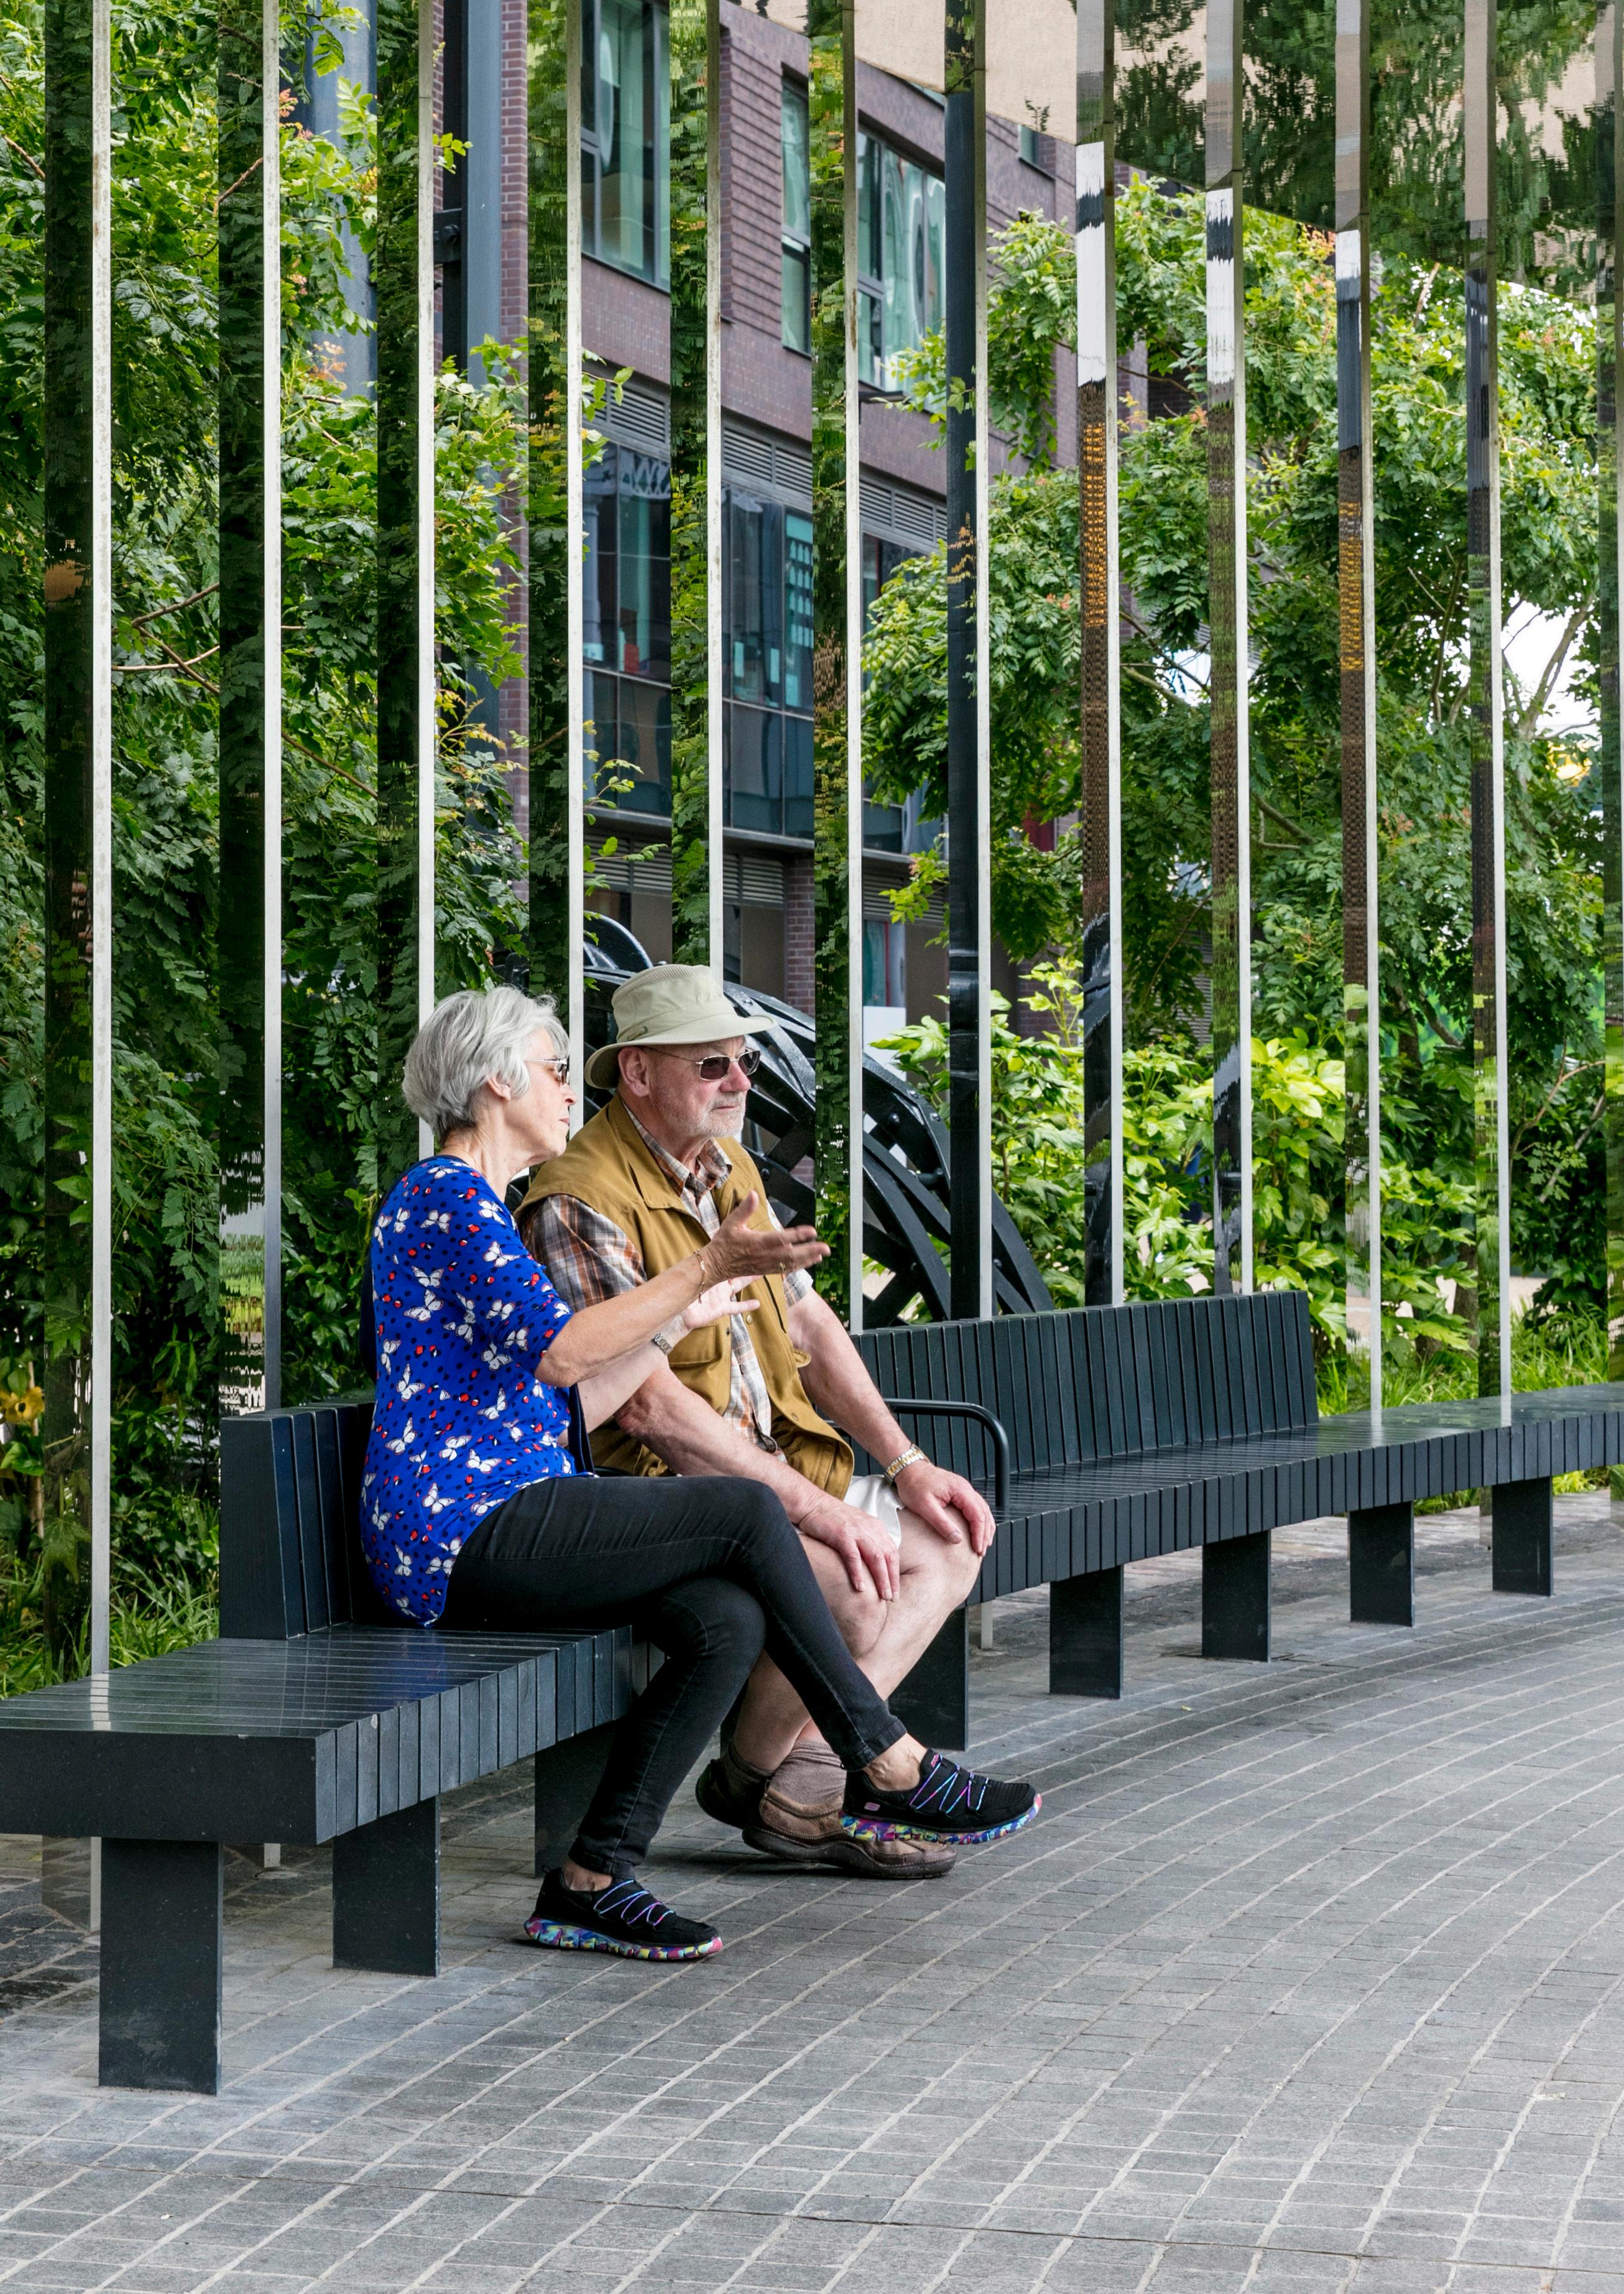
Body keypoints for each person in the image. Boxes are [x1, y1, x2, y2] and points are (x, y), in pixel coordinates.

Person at [362, 984, 1040, 1965]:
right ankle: (888, 1759)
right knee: (746, 1513)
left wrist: (677, 1318)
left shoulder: (481, 1205)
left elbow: (576, 1394)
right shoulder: (445, 1196)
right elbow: (565, 1352)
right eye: (558, 1070)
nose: (569, 1090)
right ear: (498, 1081)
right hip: (460, 1529)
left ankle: (592, 1879)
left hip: (520, 1501)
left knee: (725, 1615)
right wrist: (704, 1268)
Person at [518, 964, 995, 1883]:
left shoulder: (727, 1167)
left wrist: (906, 1463)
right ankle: (823, 1783)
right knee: (858, 1586)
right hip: (666, 1501)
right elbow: (647, 1406)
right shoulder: (580, 1201)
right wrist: (825, 1515)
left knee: (953, 1536)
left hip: (775, 1469)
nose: (741, 1082)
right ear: (638, 1074)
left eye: (744, 1061)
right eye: (713, 1066)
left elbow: (807, 1319)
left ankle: (782, 1779)